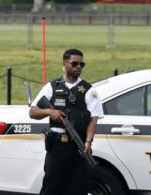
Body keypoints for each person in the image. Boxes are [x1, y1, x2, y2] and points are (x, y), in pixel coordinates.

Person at [29, 48, 103, 195]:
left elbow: (93, 120)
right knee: (52, 187)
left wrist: (88, 142)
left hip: (79, 147)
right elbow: (33, 112)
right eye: (74, 63)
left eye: (82, 64)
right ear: (64, 63)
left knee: (78, 188)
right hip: (57, 147)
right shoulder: (51, 87)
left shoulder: (89, 90)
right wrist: (50, 112)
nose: (78, 67)